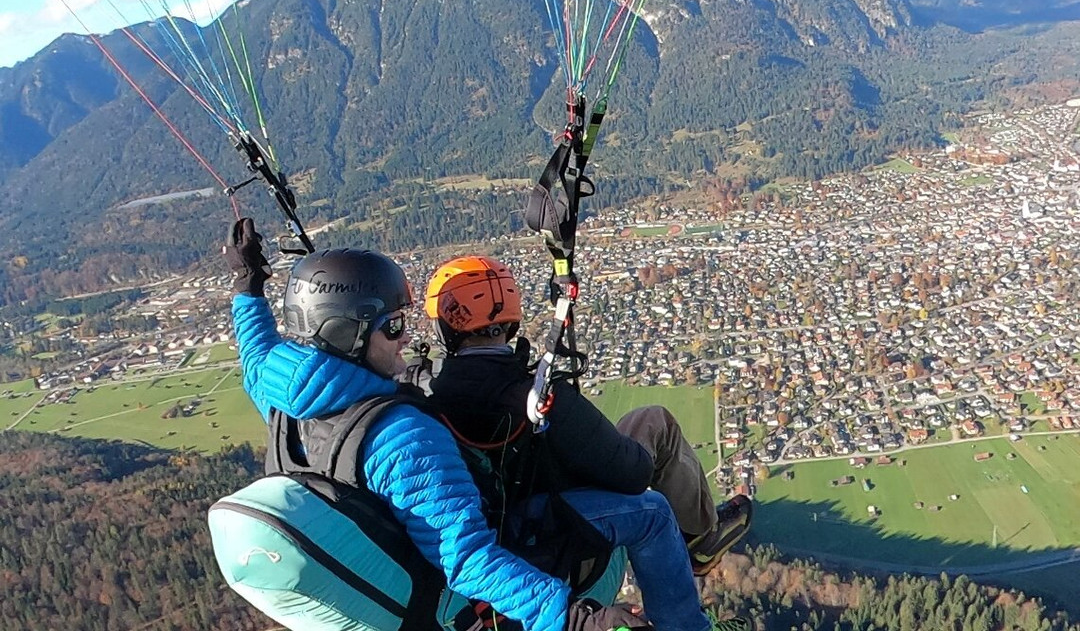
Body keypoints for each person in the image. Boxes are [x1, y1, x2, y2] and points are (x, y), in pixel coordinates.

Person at [222, 219, 723, 631]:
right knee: (653, 509)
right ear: (345, 334)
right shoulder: (403, 439)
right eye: (393, 326)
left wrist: (248, 288)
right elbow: (466, 558)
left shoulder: (284, 396)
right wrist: (574, 617)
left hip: (401, 561)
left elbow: (256, 354)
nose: (403, 338)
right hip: (504, 564)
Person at [423, 256, 753, 628]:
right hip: (538, 526)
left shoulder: (430, 399)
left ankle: (697, 541)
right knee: (655, 478)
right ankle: (695, 566)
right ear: (510, 321)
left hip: (504, 522)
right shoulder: (539, 395)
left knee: (645, 425)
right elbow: (632, 473)